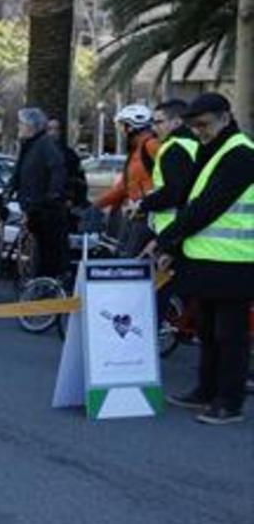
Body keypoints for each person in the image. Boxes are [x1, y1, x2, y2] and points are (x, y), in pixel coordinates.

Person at [150, 93, 252, 425]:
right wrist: (175, 249)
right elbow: (191, 202)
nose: (199, 132)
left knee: (230, 335)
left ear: (226, 117)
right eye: (194, 126)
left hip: (236, 263)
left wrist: (165, 240)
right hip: (208, 259)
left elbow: (206, 207)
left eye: (204, 125)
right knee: (207, 331)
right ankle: (206, 391)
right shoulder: (214, 150)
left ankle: (229, 402)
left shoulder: (240, 155)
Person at [9, 108, 68, 282]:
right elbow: (18, 173)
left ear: (31, 126)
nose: (19, 127)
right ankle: (37, 286)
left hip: (45, 209)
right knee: (39, 252)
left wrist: (53, 195)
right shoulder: (28, 145)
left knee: (46, 254)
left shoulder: (44, 145)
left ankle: (43, 289)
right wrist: (8, 192)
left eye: (22, 124)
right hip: (33, 205)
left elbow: (57, 169)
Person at [94, 104, 160, 255]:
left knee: (131, 260)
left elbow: (170, 177)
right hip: (137, 214)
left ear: (132, 127)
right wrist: (97, 205)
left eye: (123, 126)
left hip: (150, 215)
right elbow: (124, 186)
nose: (122, 131)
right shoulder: (136, 151)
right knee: (123, 254)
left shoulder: (151, 145)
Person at [137, 99, 198, 237]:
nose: (154, 128)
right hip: (189, 227)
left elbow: (173, 193)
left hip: (173, 228)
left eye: (159, 122)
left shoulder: (173, 148)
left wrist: (143, 204)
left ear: (177, 122)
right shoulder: (195, 144)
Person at [45, 118, 88, 209]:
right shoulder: (39, 154)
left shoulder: (70, 155)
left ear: (60, 132)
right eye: (50, 129)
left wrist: (72, 199)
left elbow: (80, 180)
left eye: (56, 129)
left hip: (64, 204)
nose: (53, 133)